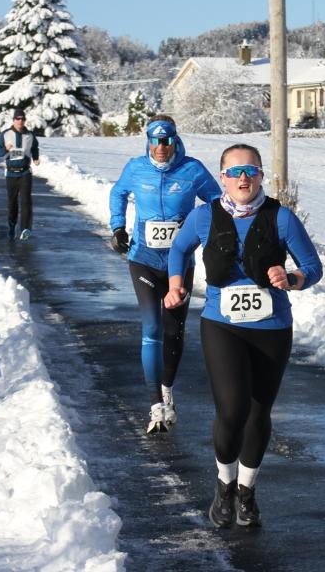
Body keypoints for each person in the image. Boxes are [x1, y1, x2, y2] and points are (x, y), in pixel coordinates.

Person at [164, 143, 323, 528]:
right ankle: (224, 485)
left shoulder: (281, 218)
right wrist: (174, 285)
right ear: (222, 178)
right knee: (233, 409)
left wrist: (293, 279)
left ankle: (247, 491)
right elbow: (179, 250)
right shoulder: (204, 217)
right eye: (234, 172)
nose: (243, 178)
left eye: (250, 171)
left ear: (261, 176)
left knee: (258, 413)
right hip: (222, 325)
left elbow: (313, 267)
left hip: (272, 329)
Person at [109, 115, 221, 434]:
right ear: (148, 140)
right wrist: (117, 225)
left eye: (167, 140)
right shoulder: (135, 167)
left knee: (174, 330)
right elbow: (117, 193)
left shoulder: (192, 170)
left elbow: (216, 202)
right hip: (143, 258)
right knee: (152, 328)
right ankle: (154, 403)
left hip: (179, 261)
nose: (161, 147)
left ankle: (167, 390)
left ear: (175, 140)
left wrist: (208, 232)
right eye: (156, 141)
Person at [0, 108, 39, 240]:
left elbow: (35, 147)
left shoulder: (30, 135)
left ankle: (25, 229)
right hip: (11, 174)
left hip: (25, 172)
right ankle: (12, 226)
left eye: (22, 119)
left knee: (26, 201)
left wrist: (35, 157)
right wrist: (5, 149)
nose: (20, 121)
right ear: (13, 120)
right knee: (12, 203)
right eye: (18, 119)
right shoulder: (5, 134)